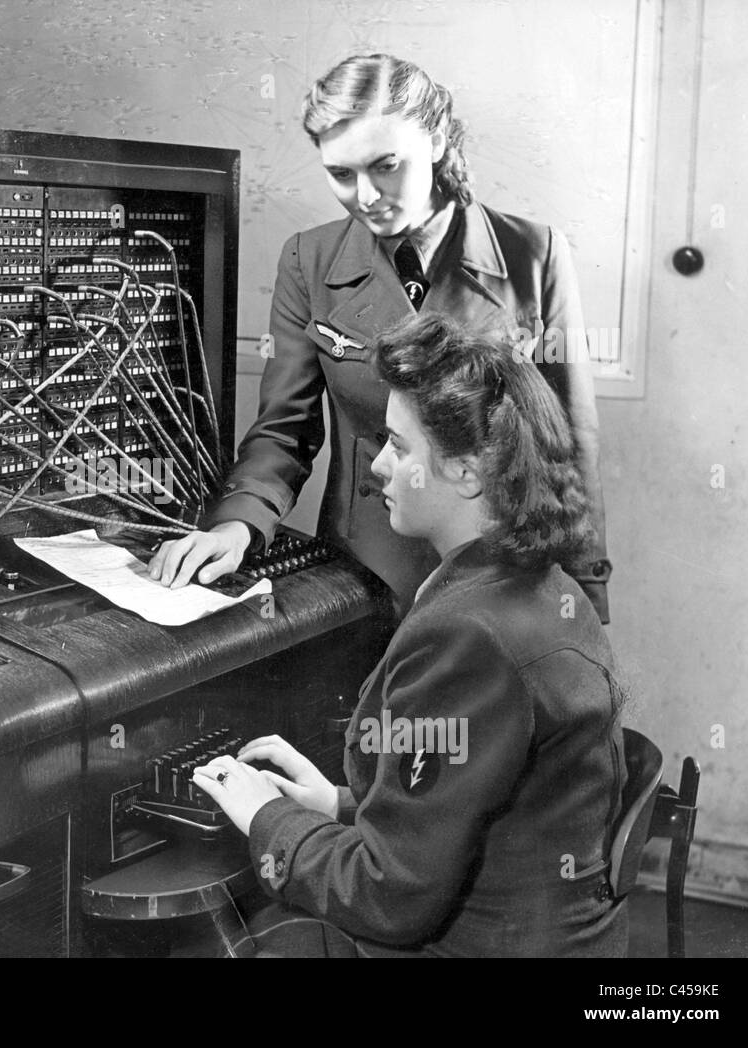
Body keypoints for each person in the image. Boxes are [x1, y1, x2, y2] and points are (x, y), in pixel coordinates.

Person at [191, 312, 629, 957]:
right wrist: (336, 806)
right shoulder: (545, 587)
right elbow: (475, 805)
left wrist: (268, 818)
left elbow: (388, 899)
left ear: (468, 471)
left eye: (399, 445)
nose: (378, 469)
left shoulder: (468, 637)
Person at [147, 53, 612, 622]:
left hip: (500, 576)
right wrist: (238, 524)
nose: (365, 196)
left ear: (437, 142)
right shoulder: (308, 259)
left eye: (386, 165)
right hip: (364, 572)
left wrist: (583, 598)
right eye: (342, 174)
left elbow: (568, 444)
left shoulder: (534, 254)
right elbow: (284, 430)